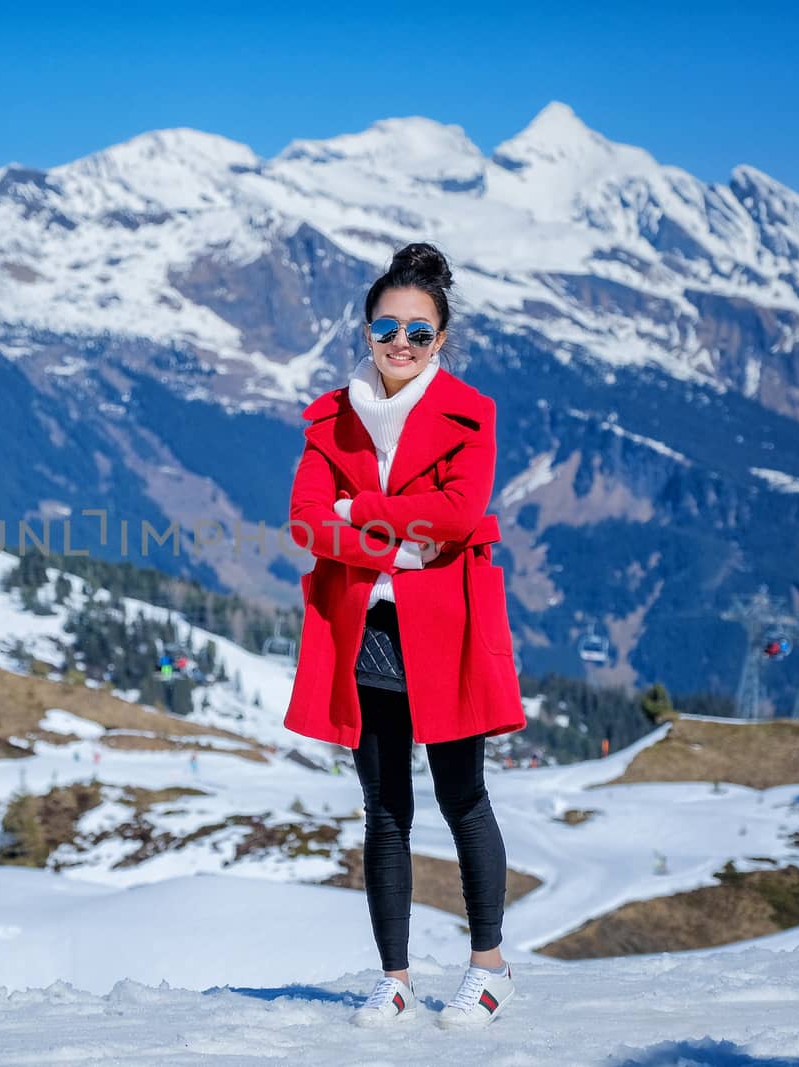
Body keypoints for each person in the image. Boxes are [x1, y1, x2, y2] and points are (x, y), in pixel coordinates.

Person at [283, 242, 525, 1030]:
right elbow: (307, 522)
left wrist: (359, 512)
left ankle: (489, 969)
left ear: (441, 340)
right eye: (387, 327)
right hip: (368, 631)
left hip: (448, 628)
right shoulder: (329, 417)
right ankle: (394, 977)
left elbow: (460, 515)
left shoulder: (471, 411)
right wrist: (390, 539)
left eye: (419, 332)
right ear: (364, 330)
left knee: (463, 797)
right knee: (384, 809)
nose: (402, 343)